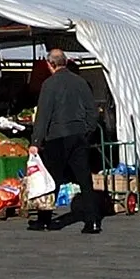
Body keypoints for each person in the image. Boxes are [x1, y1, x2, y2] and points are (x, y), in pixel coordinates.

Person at [31, 44, 105, 236]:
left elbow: (43, 116)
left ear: (50, 64)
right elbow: (92, 111)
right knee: (84, 180)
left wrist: (36, 142)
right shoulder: (80, 82)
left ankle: (44, 219)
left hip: (56, 136)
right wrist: (87, 131)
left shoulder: (49, 84)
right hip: (78, 135)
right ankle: (92, 221)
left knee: (52, 180)